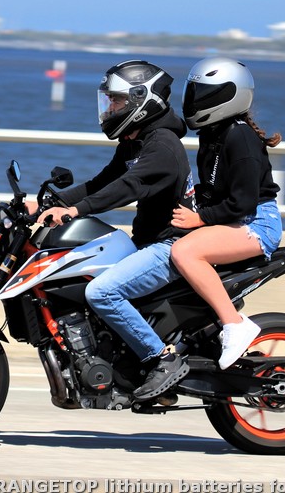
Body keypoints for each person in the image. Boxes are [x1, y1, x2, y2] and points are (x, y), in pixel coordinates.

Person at [37, 59, 194, 401]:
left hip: (170, 247)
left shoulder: (163, 145)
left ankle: (162, 360)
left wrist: (74, 211)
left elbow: (128, 186)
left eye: (117, 101)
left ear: (142, 101)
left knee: (101, 293)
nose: (110, 108)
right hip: (148, 244)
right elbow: (100, 184)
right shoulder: (135, 143)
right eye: (109, 100)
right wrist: (47, 203)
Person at [170, 57, 283, 370]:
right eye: (193, 92)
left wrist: (199, 219)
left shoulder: (241, 137)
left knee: (186, 252)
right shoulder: (212, 135)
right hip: (231, 219)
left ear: (228, 96)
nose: (194, 100)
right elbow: (212, 190)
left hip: (256, 224)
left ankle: (235, 324)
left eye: (203, 94)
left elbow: (244, 202)